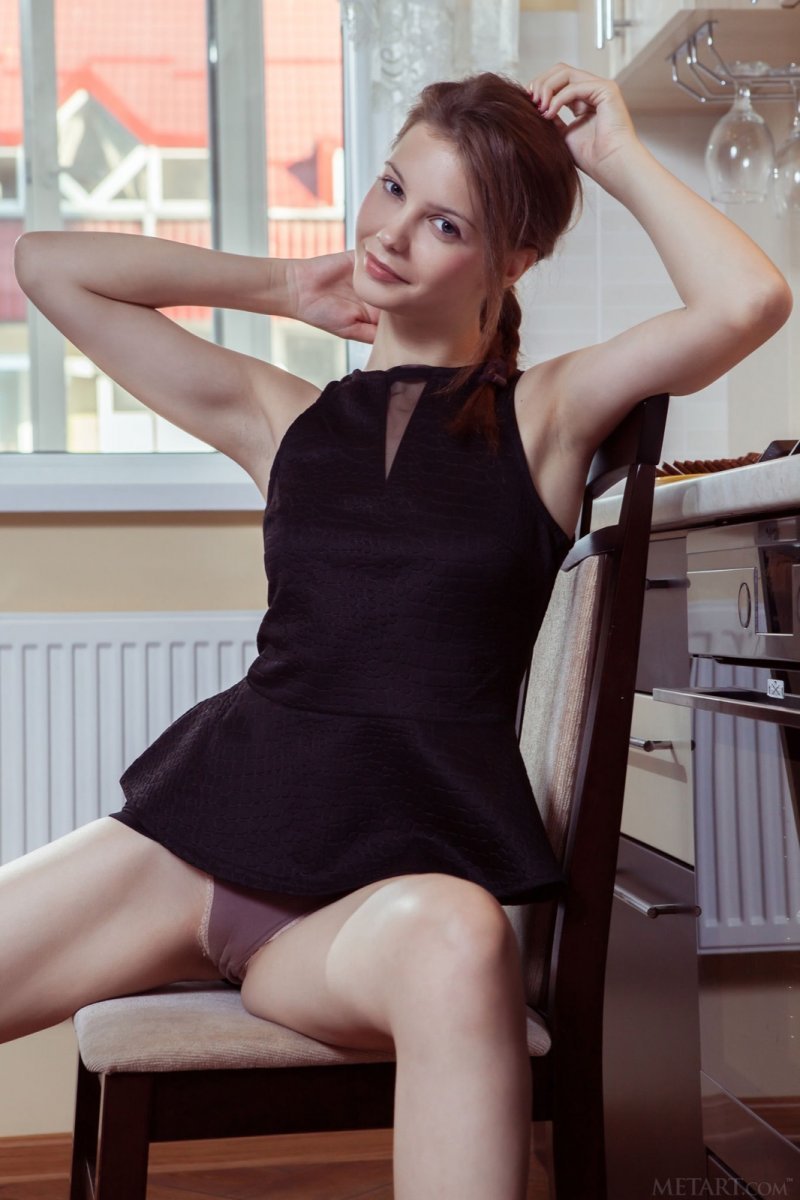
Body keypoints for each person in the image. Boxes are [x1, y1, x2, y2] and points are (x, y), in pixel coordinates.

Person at [4, 61, 792, 1199]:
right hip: (195, 846)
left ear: (512, 263)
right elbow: (49, 267)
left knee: (460, 936)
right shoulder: (279, 415)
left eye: (444, 224)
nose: (391, 234)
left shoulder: (544, 415)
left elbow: (745, 302)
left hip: (372, 914)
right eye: (390, 188)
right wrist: (286, 284)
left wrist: (616, 155)